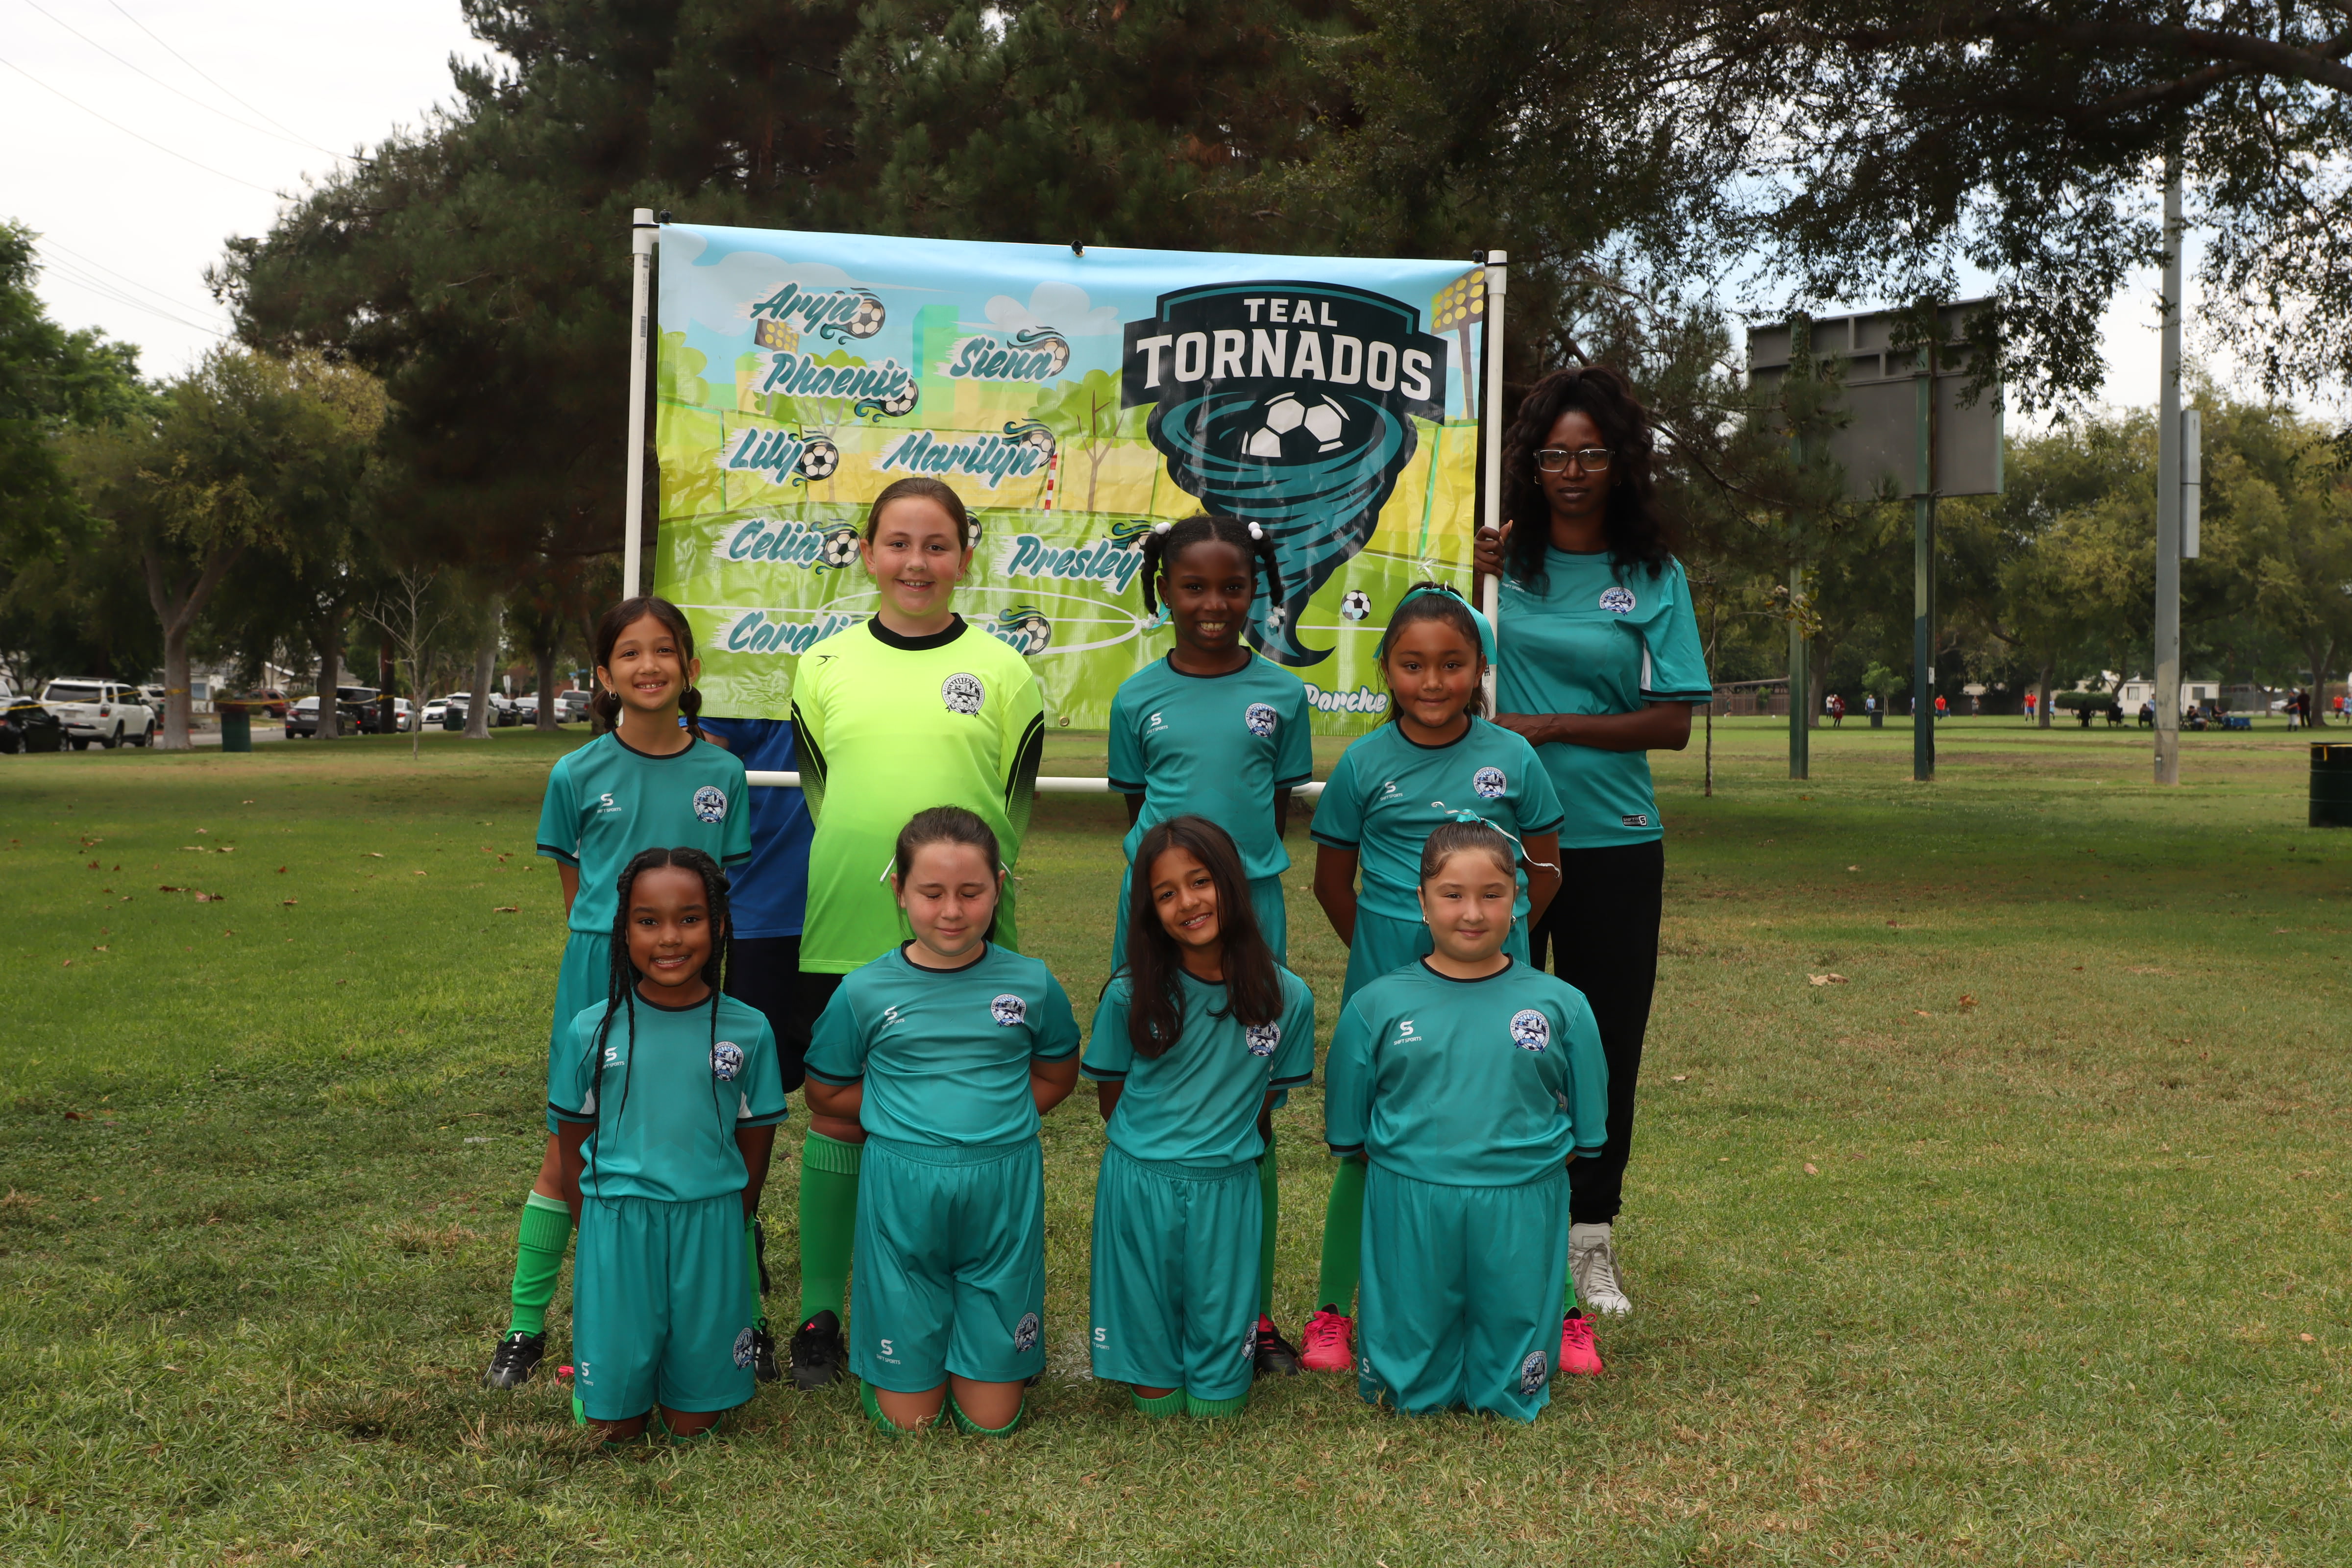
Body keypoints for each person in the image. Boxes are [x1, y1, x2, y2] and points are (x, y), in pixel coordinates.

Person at [784, 476, 1047, 1388]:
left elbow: (1013, 809)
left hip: (965, 935)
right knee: (839, 1112)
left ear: (965, 557)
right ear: (867, 554)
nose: (916, 562)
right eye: (898, 543)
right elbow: (823, 794)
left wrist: (952, 900)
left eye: (937, 545)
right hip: (848, 922)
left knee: (963, 1109)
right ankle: (821, 1311)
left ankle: (968, 1303)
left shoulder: (1006, 671)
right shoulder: (822, 665)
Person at [1470, 366, 1712, 1322]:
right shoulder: (1500, 564)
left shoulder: (1652, 574)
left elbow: (1673, 722)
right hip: (1499, 838)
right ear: (1532, 464)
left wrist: (1553, 727)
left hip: (1614, 839)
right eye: (1554, 455)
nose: (1571, 472)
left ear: (1621, 462)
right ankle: (1499, 1226)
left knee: (1604, 1044)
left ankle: (1591, 1240)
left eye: (1590, 454)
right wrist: (1474, 570)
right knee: (1493, 1034)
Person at [488, 597, 752, 1392]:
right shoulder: (576, 774)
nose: (649, 666)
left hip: (693, 978)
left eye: (664, 650)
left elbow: (717, 890)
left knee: (706, 1141)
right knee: (569, 1147)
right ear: (604, 675)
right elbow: (580, 897)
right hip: (599, 973)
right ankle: (526, 1327)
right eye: (630, 653)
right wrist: (615, 959)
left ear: (690, 667)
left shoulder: (724, 773)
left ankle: (736, 1323)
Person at [1301, 582, 1565, 1370]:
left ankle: (1559, 1311)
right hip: (1387, 966)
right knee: (1369, 1142)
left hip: (1494, 977)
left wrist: (1502, 946)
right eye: (1413, 664)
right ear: (1387, 670)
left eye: (1452, 664)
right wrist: (1385, 965)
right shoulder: (1363, 762)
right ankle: (1332, 1311)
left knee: (1513, 1133)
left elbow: (1546, 869)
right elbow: (1330, 882)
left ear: (1480, 669)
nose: (1433, 681)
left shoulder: (1513, 758)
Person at [1107, 513, 1314, 1373]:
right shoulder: (1136, 697)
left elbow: (1275, 806)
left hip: (1252, 906)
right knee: (1156, 1079)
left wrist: (1232, 888)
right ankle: (1158, 1300)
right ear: (1164, 592)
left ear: (1255, 592)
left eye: (1233, 587)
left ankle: (1251, 1315)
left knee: (1249, 1108)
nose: (1214, 604)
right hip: (1160, 911)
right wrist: (1177, 894)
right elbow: (1142, 816)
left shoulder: (1284, 695)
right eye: (1194, 587)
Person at [801, 808, 1081, 1436]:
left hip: (1001, 1190)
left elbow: (1057, 1074)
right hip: (903, 1190)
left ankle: (983, 1345)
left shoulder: (1032, 983)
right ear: (900, 891)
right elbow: (826, 1089)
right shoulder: (864, 990)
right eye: (932, 893)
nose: (951, 911)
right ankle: (903, 1356)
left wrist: (995, 1120)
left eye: (970, 891)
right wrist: (905, 1117)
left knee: (991, 1419)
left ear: (998, 889)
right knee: (912, 1422)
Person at [1325, 818, 1610, 1419]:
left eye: (1492, 894)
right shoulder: (1376, 1004)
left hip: (1519, 1200)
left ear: (1518, 899)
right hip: (1411, 1199)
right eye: (1453, 894)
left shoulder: (1562, 1005)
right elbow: (1351, 1129)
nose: (1473, 912)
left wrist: (1518, 1163)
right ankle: (1412, 1372)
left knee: (1508, 1370)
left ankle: (1510, 1372)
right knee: (1413, 1374)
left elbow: (1586, 1128)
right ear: (1422, 900)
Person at [548, 847, 787, 1442]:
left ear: (720, 925)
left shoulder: (749, 1028)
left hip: (710, 1223)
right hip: (618, 1226)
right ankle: (609, 1381)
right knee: (614, 1428)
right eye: (648, 920)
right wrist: (597, 1230)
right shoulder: (591, 1028)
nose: (670, 937)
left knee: (694, 1425)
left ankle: (687, 1376)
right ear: (624, 930)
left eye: (690, 918)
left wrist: (727, 1217)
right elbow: (573, 1143)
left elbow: (756, 1145)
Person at [1084, 816, 1316, 1418]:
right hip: (1141, 1185)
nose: (1188, 902)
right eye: (1166, 893)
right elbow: (1112, 1098)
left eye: (1200, 881)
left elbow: (1265, 1102)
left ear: (1232, 881)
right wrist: (1160, 1146)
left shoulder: (1289, 996)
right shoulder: (1128, 994)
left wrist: (1217, 1145)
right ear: (1150, 909)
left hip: (1228, 1189)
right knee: (1158, 1402)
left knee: (1219, 1401)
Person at [693, 711, 814, 1378]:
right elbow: (702, 759)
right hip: (760, 909)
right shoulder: (745, 661)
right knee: (734, 1102)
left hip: (856, 905)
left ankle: (869, 1278)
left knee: (856, 1100)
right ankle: (735, 1266)